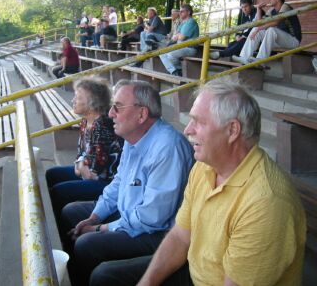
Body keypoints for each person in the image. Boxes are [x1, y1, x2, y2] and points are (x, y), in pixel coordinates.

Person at [90, 81, 306, 286]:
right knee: (104, 276)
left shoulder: (266, 204)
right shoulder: (205, 166)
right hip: (195, 273)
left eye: (199, 122)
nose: (187, 130)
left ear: (232, 130)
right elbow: (180, 237)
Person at [60, 79, 194, 285]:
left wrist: (100, 229)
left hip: (158, 232)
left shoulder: (168, 147)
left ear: (141, 114)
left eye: (118, 107)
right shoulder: (133, 137)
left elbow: (151, 218)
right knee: (72, 212)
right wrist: (95, 218)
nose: (111, 113)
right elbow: (118, 184)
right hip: (131, 213)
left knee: (87, 245)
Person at [46, 78, 123, 227]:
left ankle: (62, 234)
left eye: (79, 97)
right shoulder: (86, 121)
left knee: (58, 192)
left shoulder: (102, 126)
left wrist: (80, 165)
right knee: (52, 174)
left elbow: (91, 174)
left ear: (93, 103)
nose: (73, 100)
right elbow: (80, 154)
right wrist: (80, 164)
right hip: (90, 172)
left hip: (108, 182)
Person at [232, 0, 301, 64]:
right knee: (257, 29)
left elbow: (276, 22)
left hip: (293, 40)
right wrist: (258, 9)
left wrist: (258, 29)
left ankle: (261, 60)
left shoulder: (285, 6)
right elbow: (259, 23)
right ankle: (244, 57)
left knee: (271, 30)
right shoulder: (272, 10)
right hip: (279, 40)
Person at [159, 4, 199, 76]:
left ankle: (178, 70)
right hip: (180, 47)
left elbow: (181, 37)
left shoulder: (191, 22)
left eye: (182, 11)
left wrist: (178, 35)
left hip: (190, 48)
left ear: (188, 12)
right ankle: (174, 71)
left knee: (170, 55)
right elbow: (174, 37)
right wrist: (178, 35)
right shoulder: (183, 23)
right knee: (161, 53)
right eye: (180, 12)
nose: (180, 13)